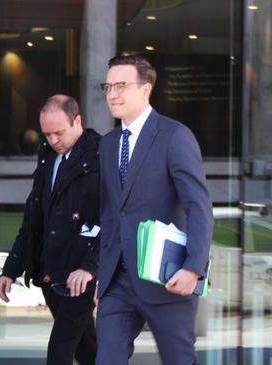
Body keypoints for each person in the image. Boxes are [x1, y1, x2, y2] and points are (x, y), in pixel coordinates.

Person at [95, 55, 213, 365]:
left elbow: (198, 206)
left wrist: (193, 268)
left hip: (168, 279)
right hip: (116, 283)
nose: (113, 94)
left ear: (146, 90)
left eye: (122, 86)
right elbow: (110, 213)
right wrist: (101, 274)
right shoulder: (108, 145)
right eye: (108, 86)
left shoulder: (174, 136)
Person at [0, 94, 99, 365]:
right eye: (47, 134)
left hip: (81, 276)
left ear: (77, 121)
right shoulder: (47, 157)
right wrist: (11, 268)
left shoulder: (101, 156)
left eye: (59, 132)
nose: (53, 140)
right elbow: (33, 217)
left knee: (60, 350)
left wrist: (91, 267)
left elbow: (112, 220)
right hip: (50, 272)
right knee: (87, 348)